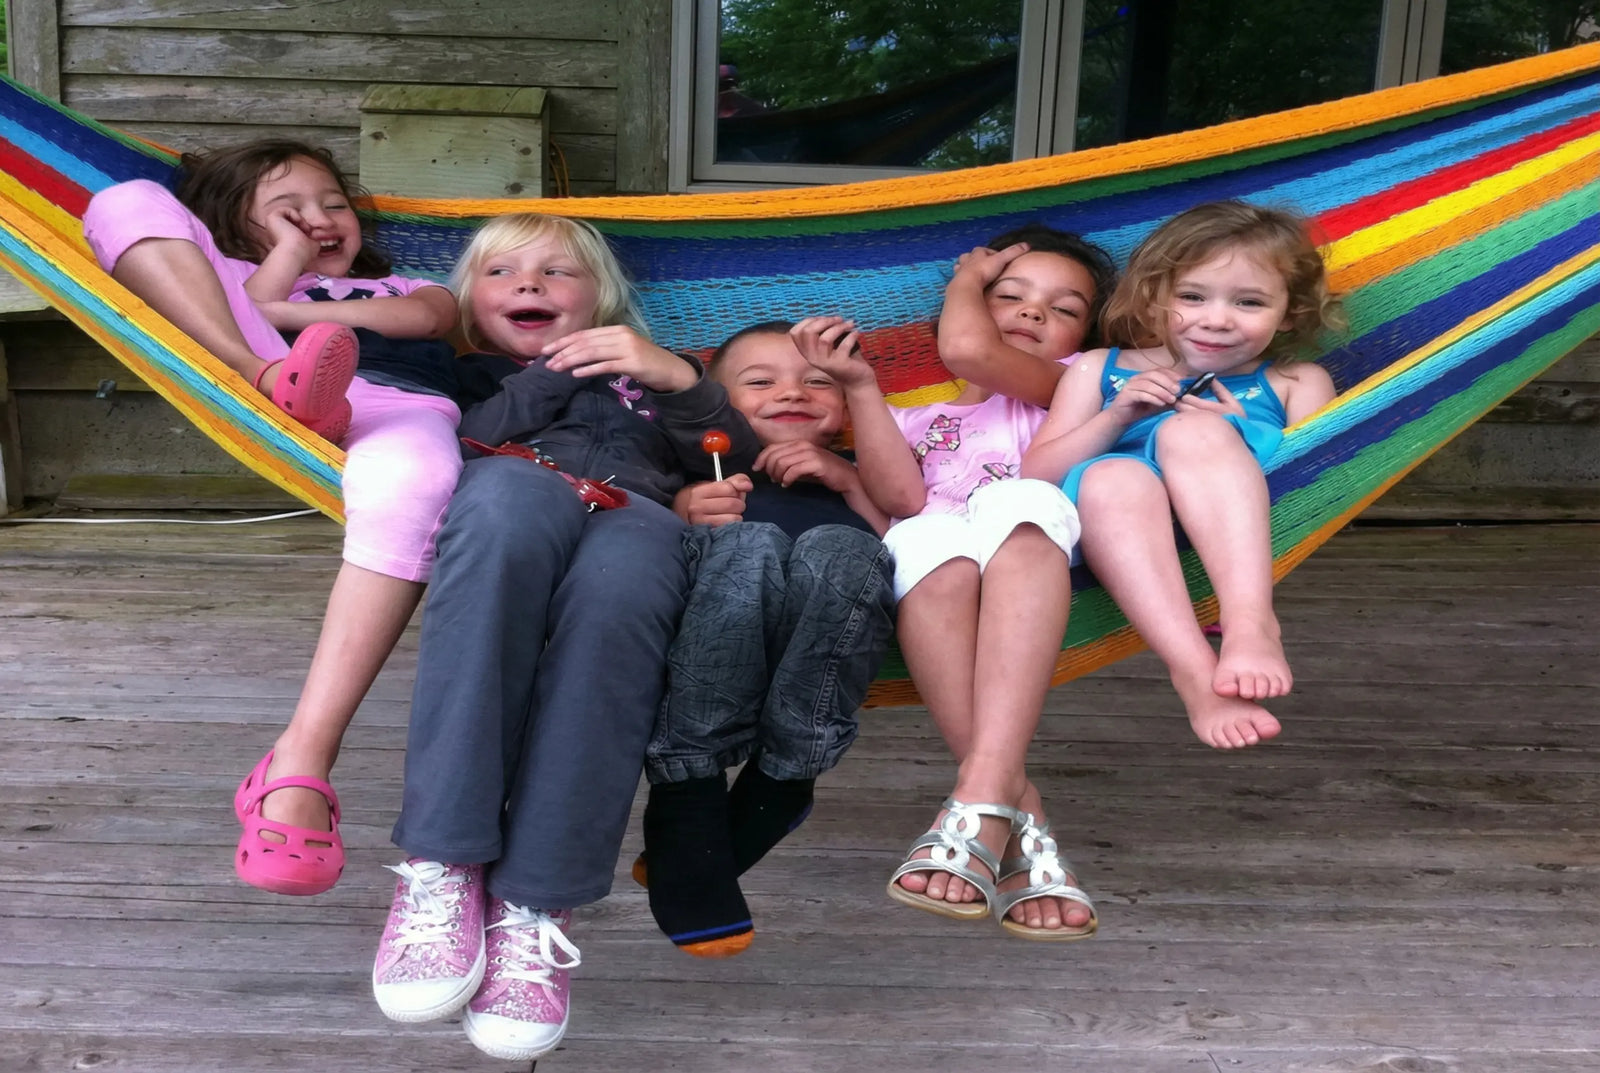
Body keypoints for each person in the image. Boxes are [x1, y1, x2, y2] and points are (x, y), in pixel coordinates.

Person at [369, 213, 757, 1062]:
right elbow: (468, 440)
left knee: (626, 591)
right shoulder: (465, 368)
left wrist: (676, 378)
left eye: (557, 272)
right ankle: (445, 862)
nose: (531, 285)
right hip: (516, 491)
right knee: (504, 503)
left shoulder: (652, 374)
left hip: (637, 517)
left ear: (603, 299)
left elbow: (735, 454)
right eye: (503, 272)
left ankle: (535, 903)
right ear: (470, 302)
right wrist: (550, 372)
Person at [83, 142, 469, 898]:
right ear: (233, 226)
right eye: (289, 212)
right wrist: (279, 276)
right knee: (121, 199)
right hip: (255, 366)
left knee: (423, 481)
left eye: (333, 204)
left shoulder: (401, 282)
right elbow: (223, 282)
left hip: (395, 406)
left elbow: (431, 317)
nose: (319, 219)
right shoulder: (212, 278)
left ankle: (301, 756)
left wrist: (288, 306)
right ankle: (268, 379)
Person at [798, 225, 1119, 941]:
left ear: (1086, 335)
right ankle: (1015, 812)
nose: (1033, 312)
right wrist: (860, 399)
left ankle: (980, 801)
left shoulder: (1075, 387)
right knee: (924, 538)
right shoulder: (914, 417)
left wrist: (968, 280)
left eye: (1064, 308)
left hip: (1034, 552)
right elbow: (901, 501)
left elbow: (970, 349)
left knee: (1020, 498)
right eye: (1012, 295)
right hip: (939, 568)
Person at [1022, 199, 1340, 748]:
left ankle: (1250, 623)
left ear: (1289, 312)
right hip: (1123, 529)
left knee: (1189, 431)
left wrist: (1244, 431)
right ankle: (1193, 670)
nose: (1216, 319)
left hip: (1230, 523)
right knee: (1110, 476)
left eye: (1249, 302)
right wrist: (1116, 417)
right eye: (1192, 297)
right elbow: (1039, 474)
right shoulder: (1101, 368)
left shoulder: (1295, 382)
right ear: (1155, 299)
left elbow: (1320, 485)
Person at [638, 321, 896, 958]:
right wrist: (685, 508)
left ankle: (783, 776)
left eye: (819, 382)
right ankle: (689, 786)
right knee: (747, 542)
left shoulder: (865, 468)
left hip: (828, 630)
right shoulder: (699, 468)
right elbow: (645, 538)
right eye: (760, 381)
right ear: (718, 403)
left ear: (846, 407)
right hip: (722, 631)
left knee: (844, 549)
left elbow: (903, 539)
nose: (793, 392)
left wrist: (847, 480)